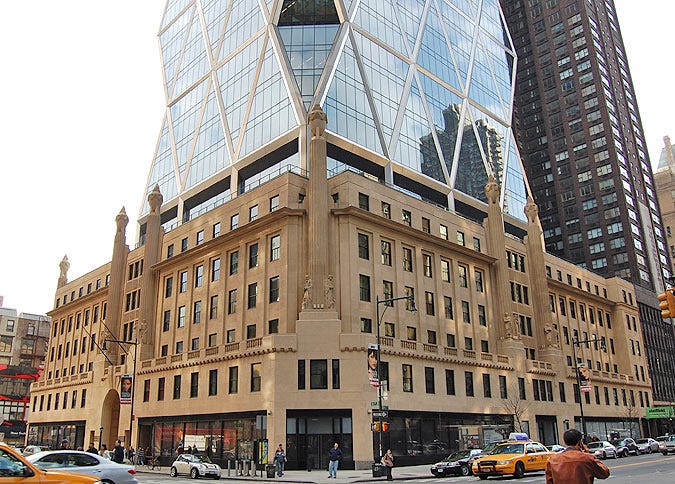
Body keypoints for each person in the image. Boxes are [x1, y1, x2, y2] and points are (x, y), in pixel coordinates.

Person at [546, 428, 610, 484]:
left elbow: (549, 481)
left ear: (565, 442)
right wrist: (587, 454)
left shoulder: (552, 460)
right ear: (580, 442)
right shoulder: (587, 458)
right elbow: (605, 473)